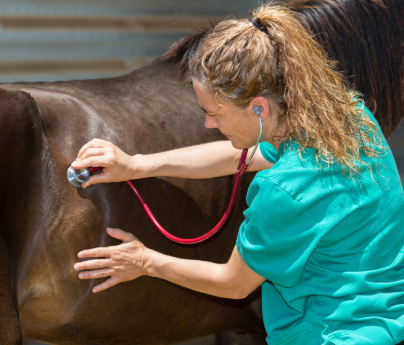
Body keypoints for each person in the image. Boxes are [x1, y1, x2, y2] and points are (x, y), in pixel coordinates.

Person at [71, 4, 404, 344]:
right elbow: (242, 156)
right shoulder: (349, 116)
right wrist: (138, 164)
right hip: (386, 323)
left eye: (215, 114)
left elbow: (234, 282)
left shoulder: (283, 190)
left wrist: (144, 262)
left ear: (259, 107)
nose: (208, 124)